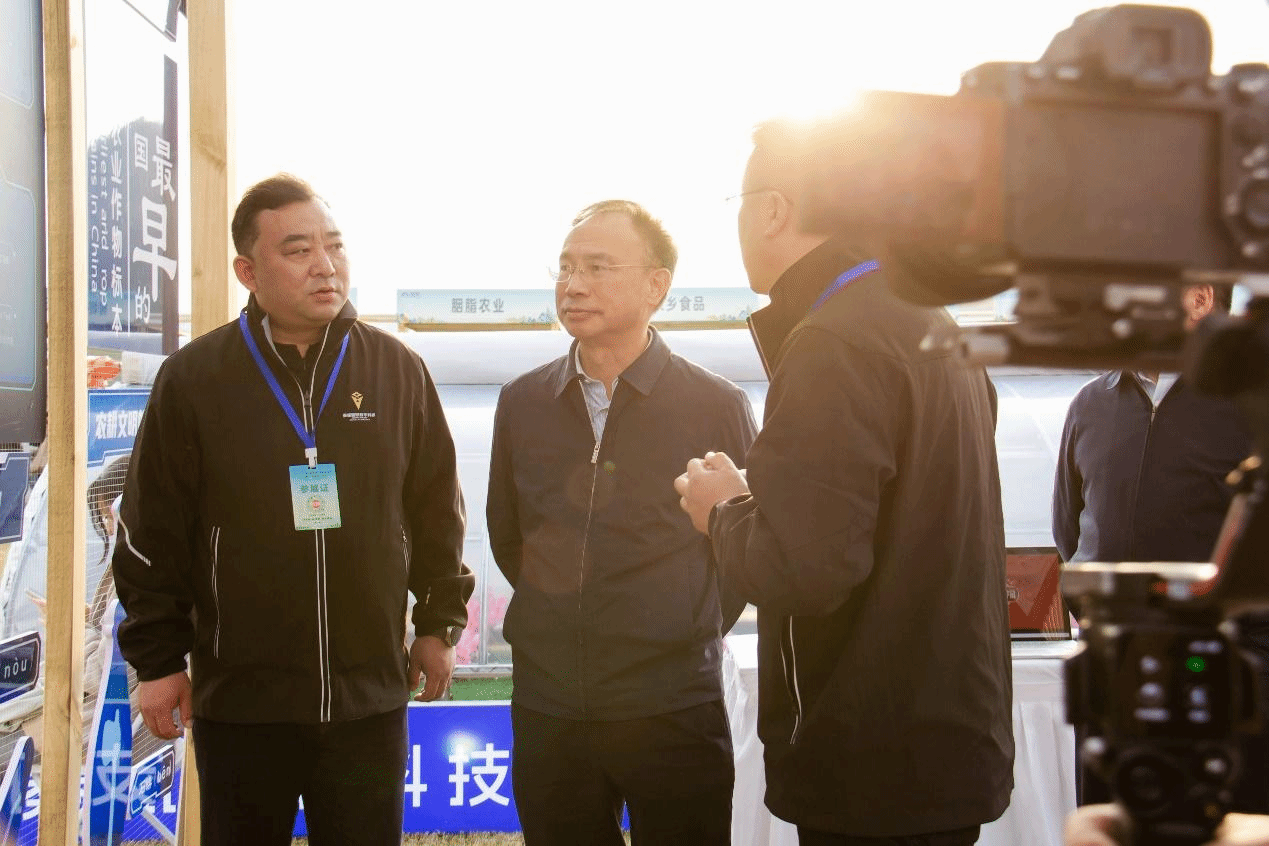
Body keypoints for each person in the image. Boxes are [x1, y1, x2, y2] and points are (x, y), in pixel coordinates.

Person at [675, 118, 1015, 845]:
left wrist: (724, 507)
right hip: (941, 736)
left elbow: (805, 570)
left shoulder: (834, 339)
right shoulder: (933, 322)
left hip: (870, 758)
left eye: (739, 204)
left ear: (774, 209)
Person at [112, 174, 474, 845]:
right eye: (299, 250)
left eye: (334, 246)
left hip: (368, 697)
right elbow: (150, 530)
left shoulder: (397, 369)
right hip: (241, 702)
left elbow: (437, 513)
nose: (325, 266)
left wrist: (438, 624)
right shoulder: (195, 378)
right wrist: (157, 661)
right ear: (248, 272)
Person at [486, 199, 757, 845]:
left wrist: (680, 627)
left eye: (597, 267)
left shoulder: (713, 404)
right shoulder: (523, 401)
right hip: (550, 704)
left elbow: (742, 544)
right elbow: (507, 533)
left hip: (672, 704)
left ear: (656, 285)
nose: (573, 285)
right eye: (565, 267)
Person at [1052, 283, 1267, 810]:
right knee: (1112, 820)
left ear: (1200, 298)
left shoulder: (1252, 404)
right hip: (1115, 666)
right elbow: (1069, 529)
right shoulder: (1090, 403)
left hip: (1229, 668)